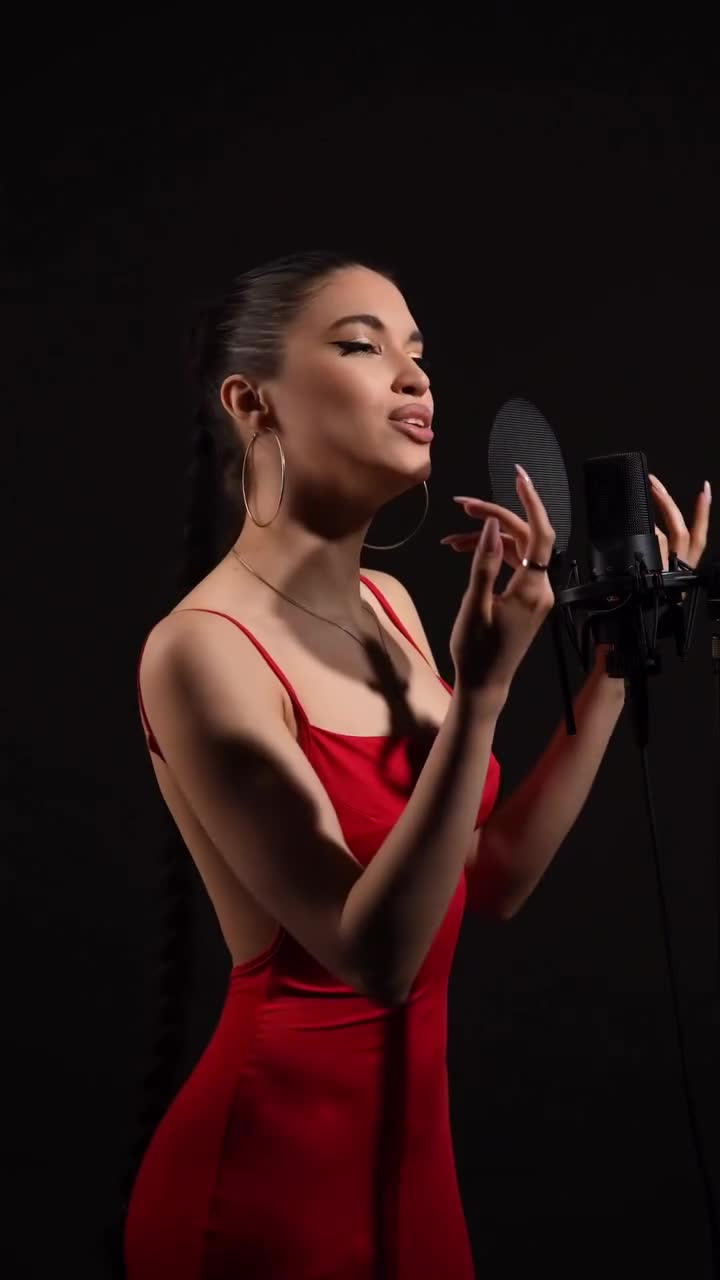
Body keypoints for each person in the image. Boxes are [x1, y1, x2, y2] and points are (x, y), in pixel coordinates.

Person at [122, 250, 709, 1279]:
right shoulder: (201, 650)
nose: (416, 377)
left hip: (415, 1178)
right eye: (362, 346)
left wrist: (616, 662)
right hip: (265, 1193)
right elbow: (379, 959)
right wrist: (481, 694)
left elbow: (490, 875)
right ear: (251, 402)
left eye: (419, 352)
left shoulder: (390, 607)